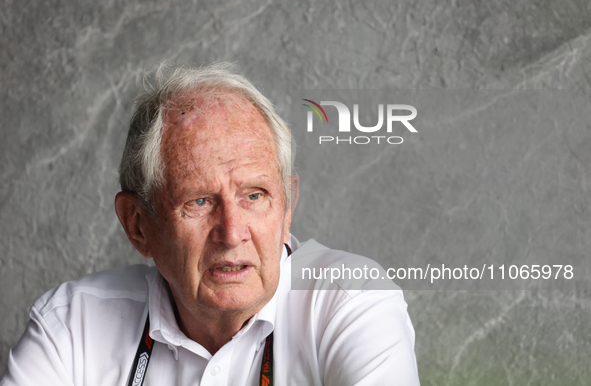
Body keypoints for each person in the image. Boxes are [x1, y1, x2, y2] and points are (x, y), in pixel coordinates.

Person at [0, 63, 420, 385]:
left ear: (287, 205)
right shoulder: (72, 326)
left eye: (254, 196)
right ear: (137, 224)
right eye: (199, 202)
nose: (233, 232)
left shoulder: (352, 302)